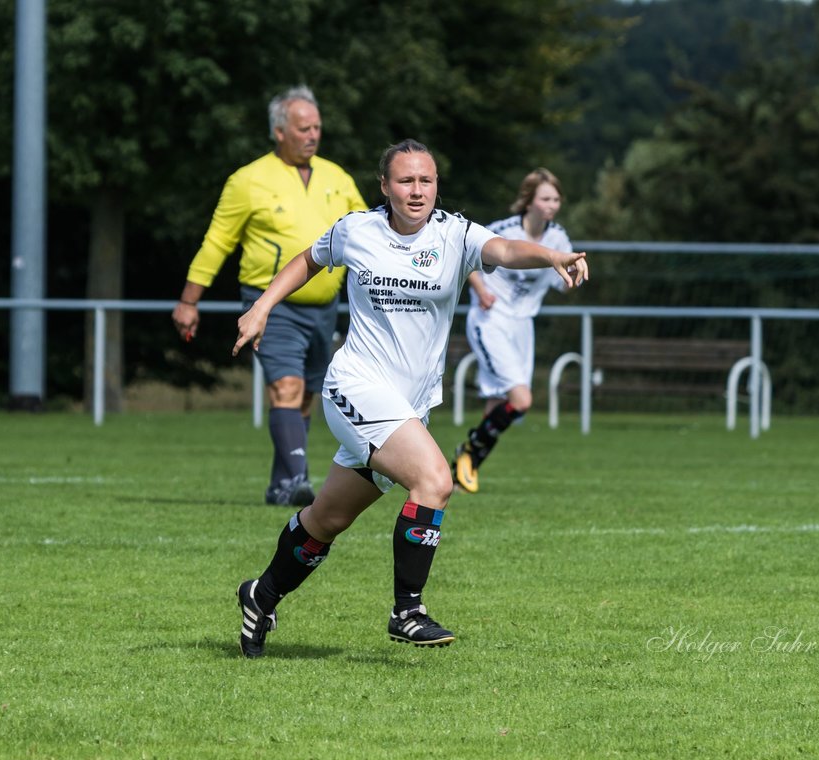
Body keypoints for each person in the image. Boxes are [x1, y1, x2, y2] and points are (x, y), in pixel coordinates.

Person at [230, 140, 588, 658]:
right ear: (385, 186)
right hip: (355, 386)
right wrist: (262, 306)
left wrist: (552, 255)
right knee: (435, 480)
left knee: (326, 520)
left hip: (407, 406)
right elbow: (309, 258)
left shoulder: (455, 233)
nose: (416, 191)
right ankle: (408, 611)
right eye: (405, 181)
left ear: (436, 185)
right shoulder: (358, 230)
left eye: (425, 181)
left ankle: (259, 597)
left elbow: (506, 251)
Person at [173, 85, 367, 507]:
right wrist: (189, 300)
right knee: (287, 386)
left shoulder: (337, 177)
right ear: (279, 132)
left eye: (317, 127)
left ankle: (281, 484)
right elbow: (216, 242)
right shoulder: (247, 180)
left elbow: (368, 233)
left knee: (306, 396)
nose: (313, 135)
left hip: (324, 308)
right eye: (303, 128)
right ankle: (298, 480)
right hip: (270, 304)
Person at [452, 168, 578, 494]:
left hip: (523, 326)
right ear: (529, 201)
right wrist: (480, 289)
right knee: (520, 399)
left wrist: (574, 276)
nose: (552, 205)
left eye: (556, 199)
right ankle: (468, 452)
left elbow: (562, 283)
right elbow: (467, 258)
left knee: (498, 402)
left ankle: (466, 467)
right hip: (491, 320)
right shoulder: (504, 231)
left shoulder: (558, 238)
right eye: (545, 199)